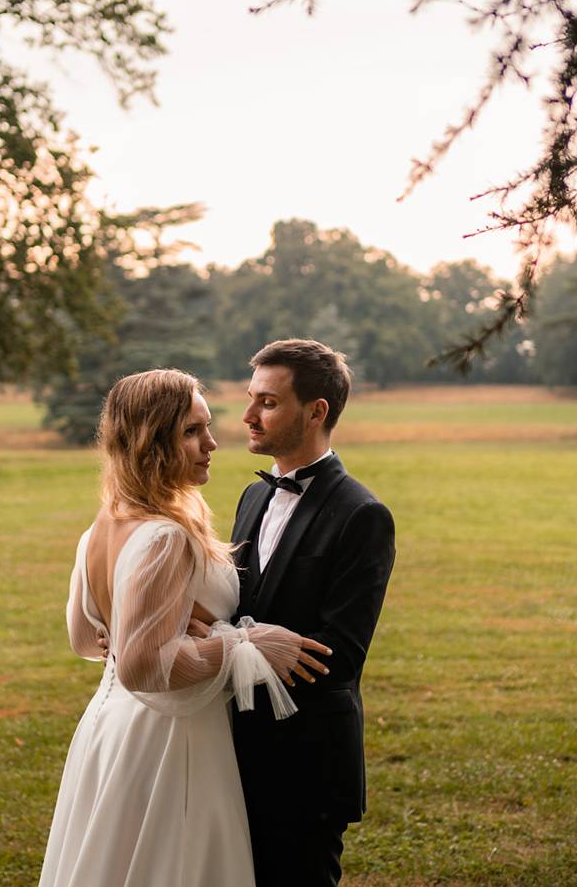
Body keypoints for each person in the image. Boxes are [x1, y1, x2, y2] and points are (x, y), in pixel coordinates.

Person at [39, 368, 331, 887]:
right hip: (171, 742)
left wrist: (180, 630)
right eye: (192, 432)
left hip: (109, 731)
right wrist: (245, 643)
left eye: (207, 428)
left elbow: (89, 641)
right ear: (153, 443)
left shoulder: (103, 527)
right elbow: (142, 665)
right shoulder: (163, 538)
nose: (212, 443)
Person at [229, 339, 397, 887]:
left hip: (305, 763)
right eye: (251, 399)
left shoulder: (362, 515)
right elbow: (236, 609)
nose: (249, 415)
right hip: (230, 753)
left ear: (316, 410)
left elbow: (339, 655)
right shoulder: (251, 498)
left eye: (268, 403)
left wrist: (232, 646)